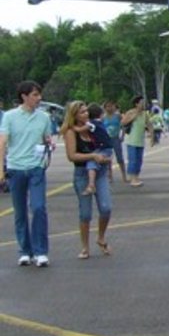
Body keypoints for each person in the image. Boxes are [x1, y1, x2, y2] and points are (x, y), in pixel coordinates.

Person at [0, 81, 54, 267]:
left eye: (39, 95)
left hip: (36, 167)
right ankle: (25, 250)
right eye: (34, 95)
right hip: (16, 168)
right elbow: (3, 142)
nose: (38, 98)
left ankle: (41, 251)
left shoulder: (44, 117)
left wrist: (49, 144)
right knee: (20, 211)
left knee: (38, 207)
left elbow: (46, 137)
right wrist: (1, 169)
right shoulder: (9, 116)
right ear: (24, 96)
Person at [62, 101, 114, 259]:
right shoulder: (71, 132)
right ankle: (85, 246)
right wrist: (92, 156)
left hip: (101, 171)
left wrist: (108, 166)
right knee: (85, 213)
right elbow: (72, 156)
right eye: (82, 112)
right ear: (74, 116)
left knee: (106, 208)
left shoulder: (94, 127)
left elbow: (106, 146)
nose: (86, 114)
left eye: (86, 111)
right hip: (82, 173)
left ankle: (101, 237)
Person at [73, 102, 114, 196]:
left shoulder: (92, 123)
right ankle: (107, 177)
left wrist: (73, 127)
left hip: (102, 147)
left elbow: (81, 129)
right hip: (107, 147)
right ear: (100, 114)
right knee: (102, 161)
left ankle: (91, 185)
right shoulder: (100, 123)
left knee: (91, 164)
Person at [121, 95, 149, 187]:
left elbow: (149, 125)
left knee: (139, 160)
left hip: (140, 141)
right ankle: (132, 179)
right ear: (136, 104)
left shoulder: (145, 114)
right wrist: (134, 116)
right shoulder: (130, 112)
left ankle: (136, 177)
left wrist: (152, 137)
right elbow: (123, 122)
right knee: (132, 160)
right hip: (131, 141)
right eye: (141, 102)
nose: (143, 104)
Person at [102, 100, 128, 183]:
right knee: (108, 158)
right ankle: (110, 176)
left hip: (115, 138)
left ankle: (124, 175)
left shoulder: (118, 116)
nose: (109, 108)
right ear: (105, 108)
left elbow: (123, 126)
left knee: (120, 157)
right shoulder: (103, 117)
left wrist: (122, 136)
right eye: (107, 106)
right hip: (107, 139)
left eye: (111, 106)